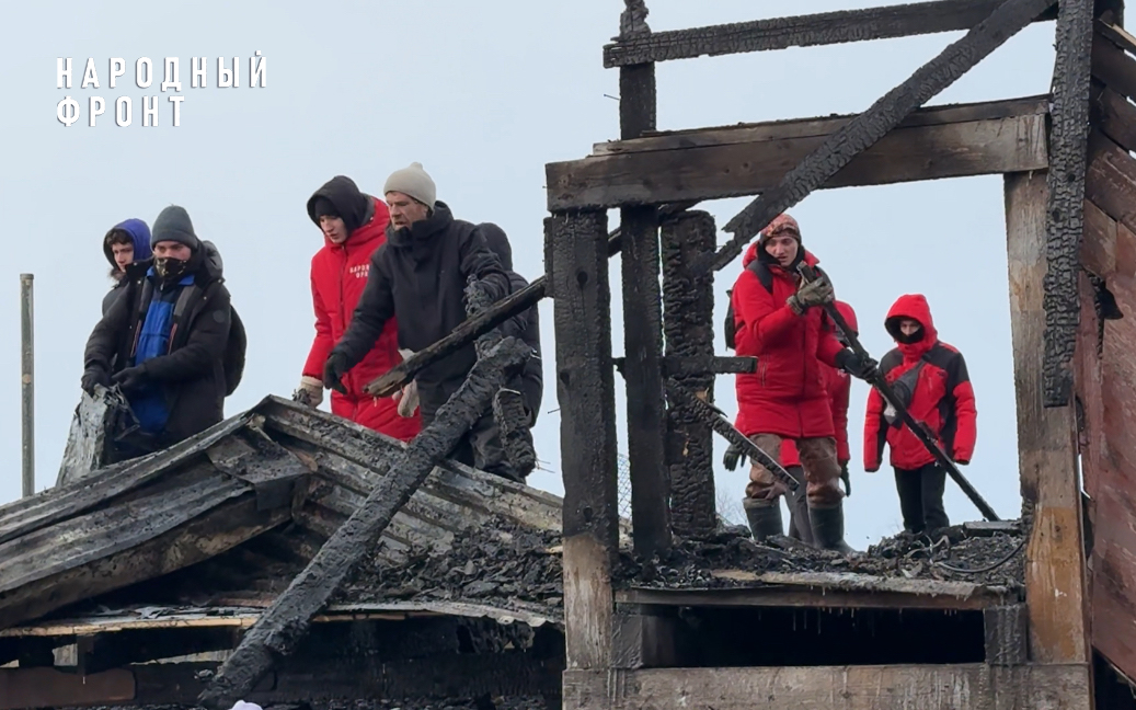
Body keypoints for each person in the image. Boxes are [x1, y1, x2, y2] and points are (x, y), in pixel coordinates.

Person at [322, 163, 520, 480]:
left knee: (498, 469)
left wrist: (482, 292)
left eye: (402, 204)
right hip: (433, 385)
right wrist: (342, 355)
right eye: (390, 204)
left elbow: (492, 274)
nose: (395, 212)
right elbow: (368, 317)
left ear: (424, 205)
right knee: (446, 477)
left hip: (479, 374)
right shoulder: (387, 259)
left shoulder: (462, 237)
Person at [729, 213, 876, 552]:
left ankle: (831, 545)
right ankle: (768, 548)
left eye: (787, 242)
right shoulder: (752, 281)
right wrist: (796, 304)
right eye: (773, 243)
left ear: (798, 243)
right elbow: (759, 333)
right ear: (763, 246)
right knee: (764, 476)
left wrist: (847, 360)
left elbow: (821, 338)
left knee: (826, 475)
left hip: (809, 392)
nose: (780, 249)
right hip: (764, 391)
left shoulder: (817, 279)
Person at [81, 205, 234, 458]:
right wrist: (95, 366)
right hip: (132, 427)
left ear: (191, 248)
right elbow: (105, 331)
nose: (168, 255)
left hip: (187, 426)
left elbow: (203, 352)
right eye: (161, 248)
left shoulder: (211, 292)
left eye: (176, 248)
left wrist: (146, 373)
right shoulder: (139, 285)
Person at [293, 175, 421, 443]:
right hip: (343, 395)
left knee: (393, 476)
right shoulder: (320, 263)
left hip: (392, 389)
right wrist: (312, 379)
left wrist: (418, 366)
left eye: (333, 217)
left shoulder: (391, 246)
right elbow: (326, 328)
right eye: (321, 220)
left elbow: (417, 310)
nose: (327, 226)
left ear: (350, 213)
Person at [864, 294, 977, 535]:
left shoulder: (949, 358)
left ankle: (940, 554)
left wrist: (961, 449)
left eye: (913, 326)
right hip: (900, 450)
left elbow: (965, 405)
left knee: (932, 510)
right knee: (911, 517)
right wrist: (872, 457)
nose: (907, 331)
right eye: (903, 326)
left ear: (924, 324)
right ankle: (917, 557)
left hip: (934, 447)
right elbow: (875, 411)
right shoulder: (889, 362)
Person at [777, 300, 859, 544]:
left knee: (801, 529)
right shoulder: (802, 363)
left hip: (820, 454)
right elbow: (769, 401)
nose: (842, 342)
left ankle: (795, 563)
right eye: (838, 335)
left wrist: (841, 462)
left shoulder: (842, 374)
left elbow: (838, 417)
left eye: (848, 337)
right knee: (809, 523)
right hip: (792, 453)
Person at [102, 218, 152, 315]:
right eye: (116, 252)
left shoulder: (161, 291)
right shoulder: (112, 299)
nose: (120, 259)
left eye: (126, 251)